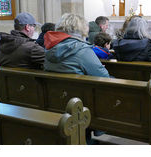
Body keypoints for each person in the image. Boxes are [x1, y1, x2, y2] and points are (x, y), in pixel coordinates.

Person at [43, 13, 109, 145]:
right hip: (80, 105)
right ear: (81, 29)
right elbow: (104, 77)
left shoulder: (49, 47)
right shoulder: (82, 49)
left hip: (55, 100)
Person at [44, 13, 110, 78]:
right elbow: (104, 76)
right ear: (83, 28)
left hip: (54, 87)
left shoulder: (50, 47)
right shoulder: (83, 50)